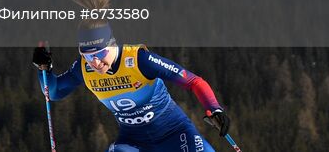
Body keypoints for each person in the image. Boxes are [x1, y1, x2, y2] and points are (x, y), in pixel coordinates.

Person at [32, 25, 229, 152]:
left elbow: (193, 81)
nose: (95, 62)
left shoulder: (138, 60)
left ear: (112, 45)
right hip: (134, 142)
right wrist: (45, 69)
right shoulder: (84, 69)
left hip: (176, 134)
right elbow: (55, 92)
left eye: (100, 54)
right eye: (88, 56)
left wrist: (214, 108)